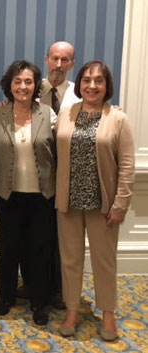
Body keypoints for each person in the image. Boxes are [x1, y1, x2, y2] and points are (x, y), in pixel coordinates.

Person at [56, 61, 135, 341]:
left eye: (99, 81)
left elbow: (127, 165)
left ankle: (108, 313)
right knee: (70, 261)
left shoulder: (118, 118)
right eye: (87, 80)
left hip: (103, 206)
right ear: (79, 84)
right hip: (69, 203)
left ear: (106, 86)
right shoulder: (66, 114)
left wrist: (120, 205)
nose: (92, 86)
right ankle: (72, 311)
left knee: (104, 262)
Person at [0, 60, 57, 325]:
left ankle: (39, 301)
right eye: (17, 81)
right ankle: (6, 296)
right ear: (9, 85)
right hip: (8, 193)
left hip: (42, 193)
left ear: (35, 85)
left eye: (28, 81)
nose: (23, 86)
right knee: (9, 247)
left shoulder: (48, 113)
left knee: (39, 249)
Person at [16, 41, 80, 309]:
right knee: (31, 233)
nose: (58, 65)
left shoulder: (79, 94)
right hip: (33, 174)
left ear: (72, 64)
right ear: (46, 60)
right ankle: (31, 283)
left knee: (59, 237)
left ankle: (57, 288)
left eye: (65, 60)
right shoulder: (31, 88)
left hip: (66, 175)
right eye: (54, 59)